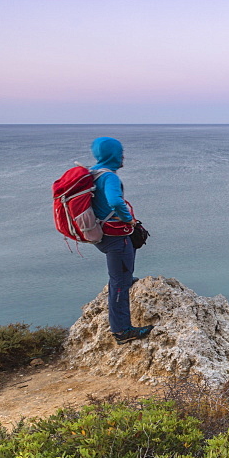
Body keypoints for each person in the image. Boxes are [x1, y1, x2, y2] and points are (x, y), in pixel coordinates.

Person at [89, 137, 154, 344]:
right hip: (115, 237)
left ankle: (126, 280)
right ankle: (122, 331)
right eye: (120, 152)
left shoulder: (93, 172)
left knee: (122, 275)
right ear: (112, 154)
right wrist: (129, 220)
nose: (123, 156)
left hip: (102, 234)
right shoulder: (110, 177)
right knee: (118, 284)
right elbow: (115, 201)